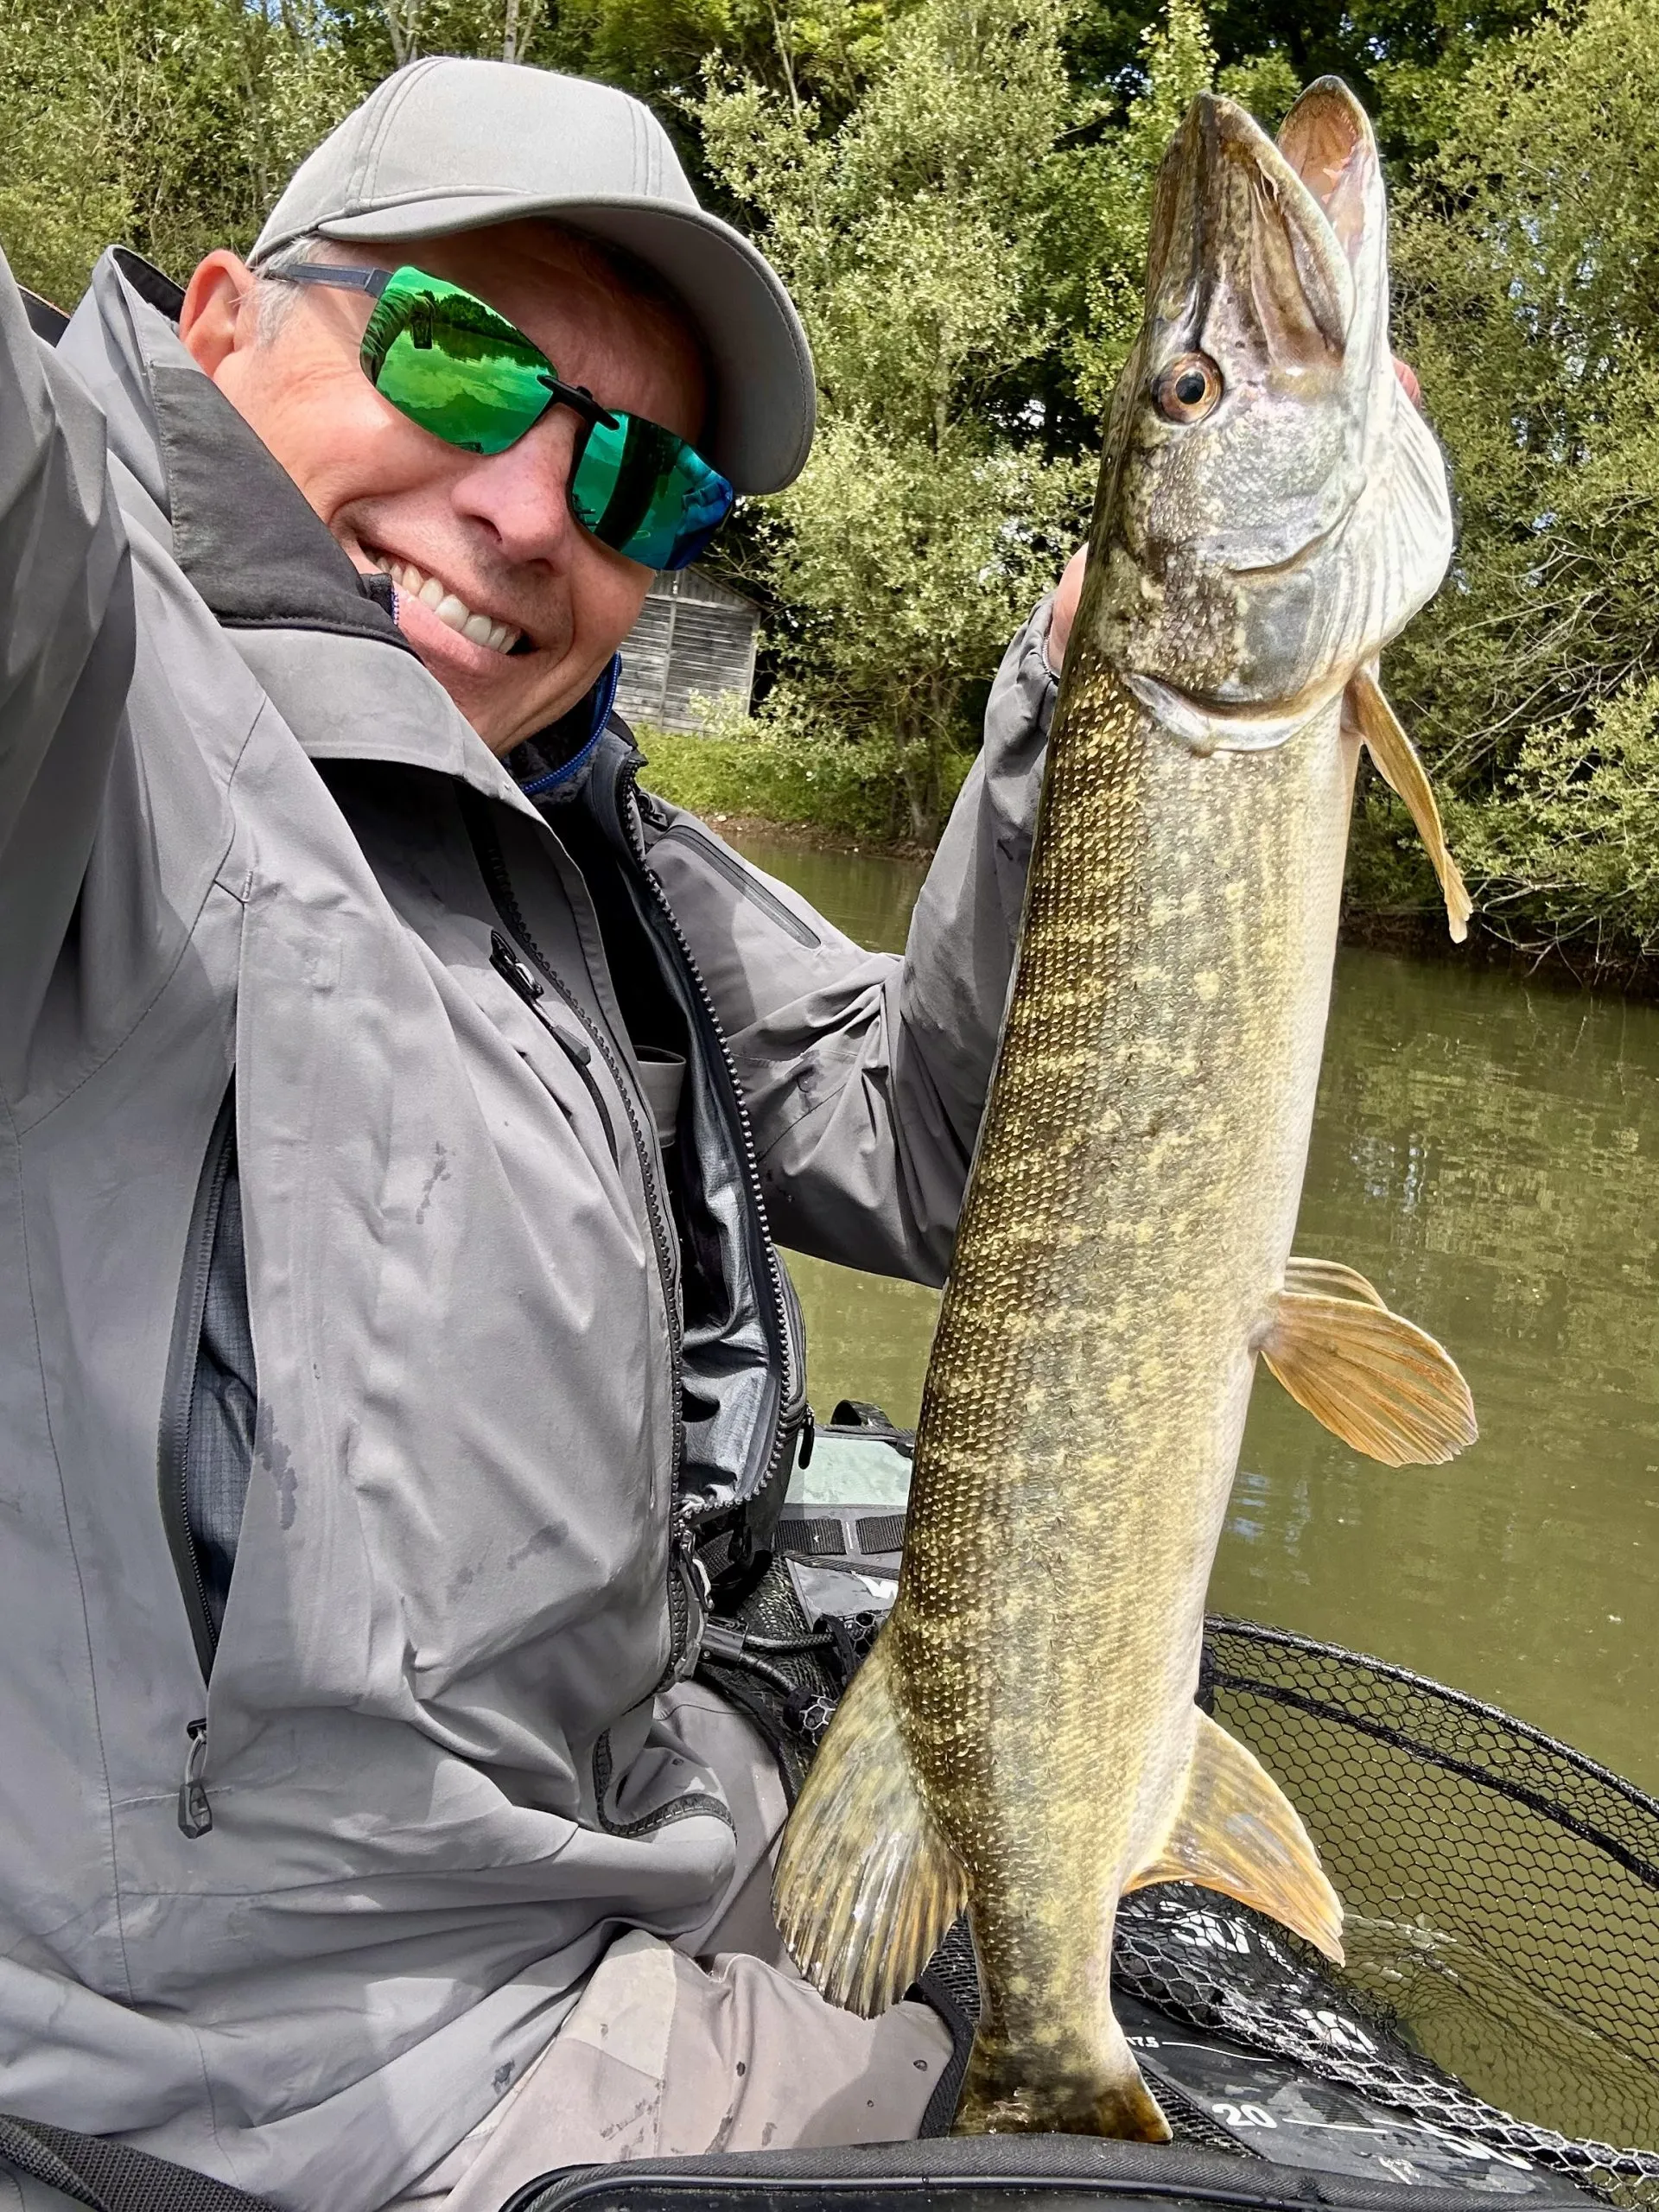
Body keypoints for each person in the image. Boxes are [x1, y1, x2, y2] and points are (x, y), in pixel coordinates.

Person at [0, 56, 1084, 2212]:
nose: (529, 505)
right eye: (462, 351)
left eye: (636, 475)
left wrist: (1116, 699)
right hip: (332, 2101)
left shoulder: (585, 847)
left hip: (630, 1851)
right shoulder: (91, 687)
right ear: (222, 324)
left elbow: (934, 1139)